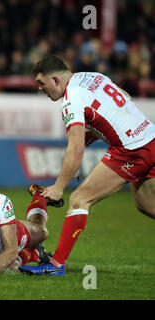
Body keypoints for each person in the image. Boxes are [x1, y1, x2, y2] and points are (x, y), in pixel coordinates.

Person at [19, 55, 155, 276]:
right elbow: (125, 97)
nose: (41, 90)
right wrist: (98, 131)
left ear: (55, 79)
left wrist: (59, 187)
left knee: (79, 199)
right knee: (147, 205)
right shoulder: (92, 76)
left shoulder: (71, 100)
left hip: (132, 150)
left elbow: (76, 148)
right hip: (150, 137)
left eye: (41, 84)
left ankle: (55, 266)